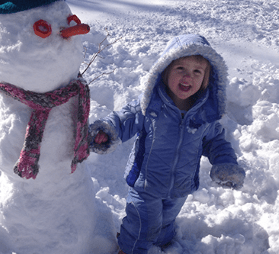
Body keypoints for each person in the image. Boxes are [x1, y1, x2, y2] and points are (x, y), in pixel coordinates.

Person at [89, 34, 245, 254]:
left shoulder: (204, 115)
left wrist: (225, 164)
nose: (187, 76)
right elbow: (125, 118)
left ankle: (160, 240)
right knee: (141, 225)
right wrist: (107, 130)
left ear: (206, 79)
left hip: (180, 186)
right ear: (165, 70)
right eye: (180, 68)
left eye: (197, 72)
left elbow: (217, 142)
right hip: (146, 185)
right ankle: (129, 248)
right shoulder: (150, 106)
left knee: (164, 224)